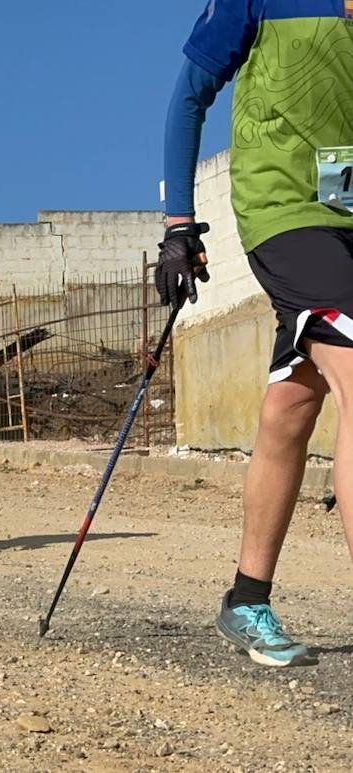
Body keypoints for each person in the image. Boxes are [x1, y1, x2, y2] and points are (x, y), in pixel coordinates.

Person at [160, 2, 353, 667]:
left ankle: (247, 599)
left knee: (295, 402)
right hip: (285, 206)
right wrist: (177, 224)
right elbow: (189, 96)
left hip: (349, 210)